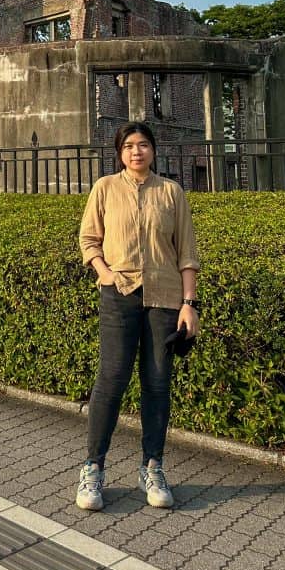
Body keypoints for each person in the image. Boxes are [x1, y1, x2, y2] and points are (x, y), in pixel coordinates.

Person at [76, 122, 200, 511]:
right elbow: (88, 238)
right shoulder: (105, 189)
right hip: (120, 294)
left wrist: (189, 303)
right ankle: (93, 468)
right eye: (129, 146)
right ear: (119, 152)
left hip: (164, 299)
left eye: (143, 145)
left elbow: (187, 253)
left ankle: (153, 466)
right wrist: (104, 272)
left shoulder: (171, 192)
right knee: (111, 379)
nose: (136, 152)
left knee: (158, 382)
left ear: (153, 150)